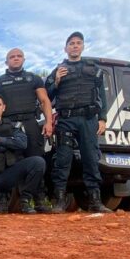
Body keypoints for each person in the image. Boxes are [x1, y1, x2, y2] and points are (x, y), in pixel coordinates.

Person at [45, 31, 112, 213]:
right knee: (62, 160)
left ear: (82, 46)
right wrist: (56, 81)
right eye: (71, 43)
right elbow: (46, 96)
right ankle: (59, 201)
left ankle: (95, 201)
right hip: (66, 119)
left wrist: (103, 118)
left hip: (88, 119)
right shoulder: (58, 70)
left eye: (78, 43)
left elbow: (102, 95)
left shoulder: (93, 69)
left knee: (91, 158)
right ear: (65, 48)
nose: (75, 46)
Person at [0, 48, 53, 212]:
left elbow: (45, 101)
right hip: (7, 125)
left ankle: (37, 200)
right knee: (4, 162)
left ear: (24, 59)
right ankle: (2, 202)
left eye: (19, 56)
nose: (15, 58)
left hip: (30, 123)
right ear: (6, 61)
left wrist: (49, 122)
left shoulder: (34, 79)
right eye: (12, 57)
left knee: (36, 160)